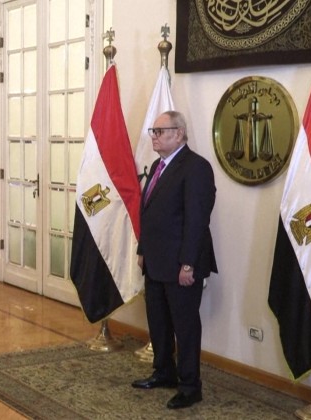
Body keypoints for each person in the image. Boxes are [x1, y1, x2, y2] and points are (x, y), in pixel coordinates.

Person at [133, 111, 217, 409]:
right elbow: (149, 214)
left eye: (159, 131)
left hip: (181, 264)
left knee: (185, 326)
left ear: (179, 133)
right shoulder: (159, 166)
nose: (154, 136)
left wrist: (188, 264)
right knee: (158, 322)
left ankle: (190, 386)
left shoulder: (196, 167)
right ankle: (164, 372)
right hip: (156, 262)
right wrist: (142, 250)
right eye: (153, 131)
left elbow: (197, 220)